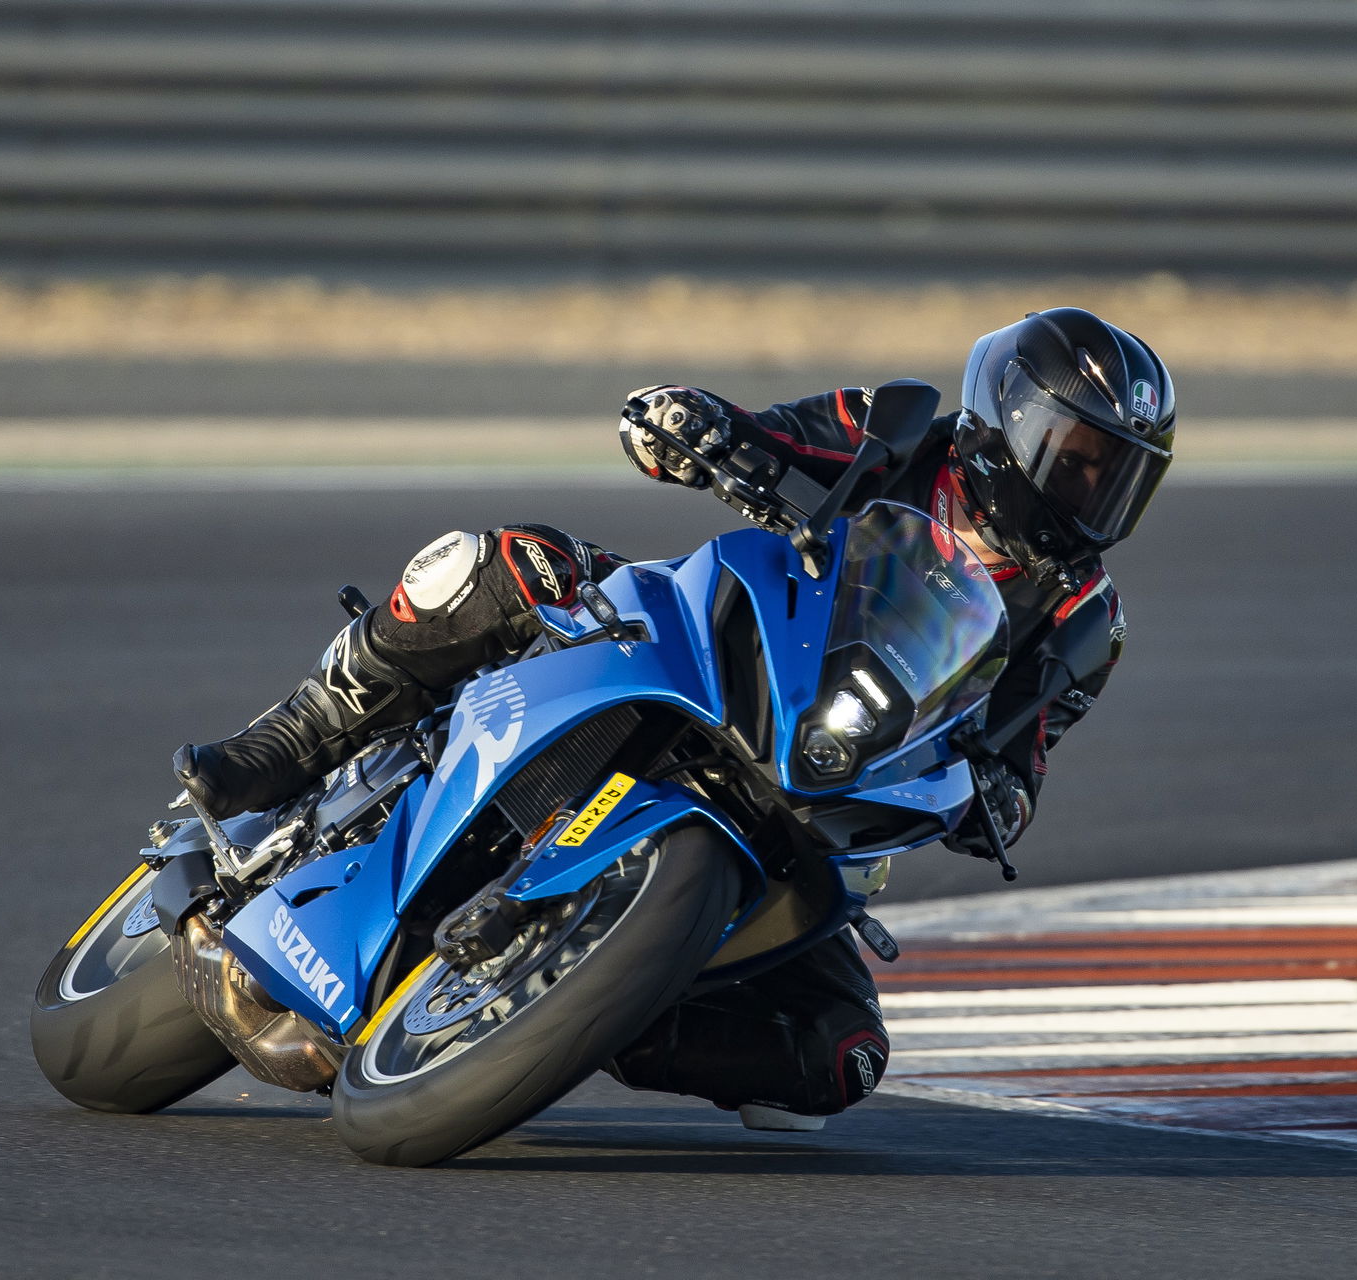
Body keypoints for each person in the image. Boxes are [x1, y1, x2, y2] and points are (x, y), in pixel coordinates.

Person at [178, 306, 1176, 1129]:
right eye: (1080, 455)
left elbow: (1024, 751)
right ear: (1010, 421)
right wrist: (701, 428)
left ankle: (592, 1009)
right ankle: (297, 736)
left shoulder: (1088, 620)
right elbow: (772, 436)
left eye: (1119, 472)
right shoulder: (901, 432)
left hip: (824, 778)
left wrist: (998, 800)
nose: (1092, 488)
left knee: (842, 1052)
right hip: (715, 644)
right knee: (507, 562)